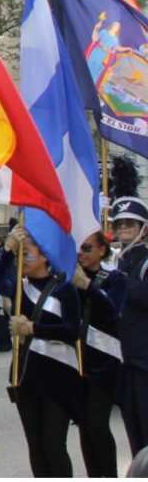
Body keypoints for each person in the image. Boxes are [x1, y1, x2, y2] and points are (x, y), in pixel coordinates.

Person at [0, 225, 83, 477]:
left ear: (44, 255)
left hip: (58, 375)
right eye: (20, 252)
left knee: (53, 445)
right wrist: (7, 250)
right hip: (27, 375)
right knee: (36, 446)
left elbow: (71, 331)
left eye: (27, 251)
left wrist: (34, 328)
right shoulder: (19, 287)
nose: (23, 256)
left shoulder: (64, 288)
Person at [74, 228, 127, 477]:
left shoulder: (115, 278)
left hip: (104, 362)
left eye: (87, 248)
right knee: (84, 426)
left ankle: (110, 474)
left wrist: (88, 287)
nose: (80, 253)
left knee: (97, 424)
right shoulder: (71, 277)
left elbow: (112, 311)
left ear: (102, 250)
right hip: (76, 361)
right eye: (79, 248)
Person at [117, 192, 148, 459]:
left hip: (145, 360)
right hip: (123, 358)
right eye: (120, 223)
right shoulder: (118, 260)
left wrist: (118, 280)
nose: (124, 228)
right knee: (134, 432)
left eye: (130, 223)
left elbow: (142, 296)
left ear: (143, 228)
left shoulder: (144, 261)